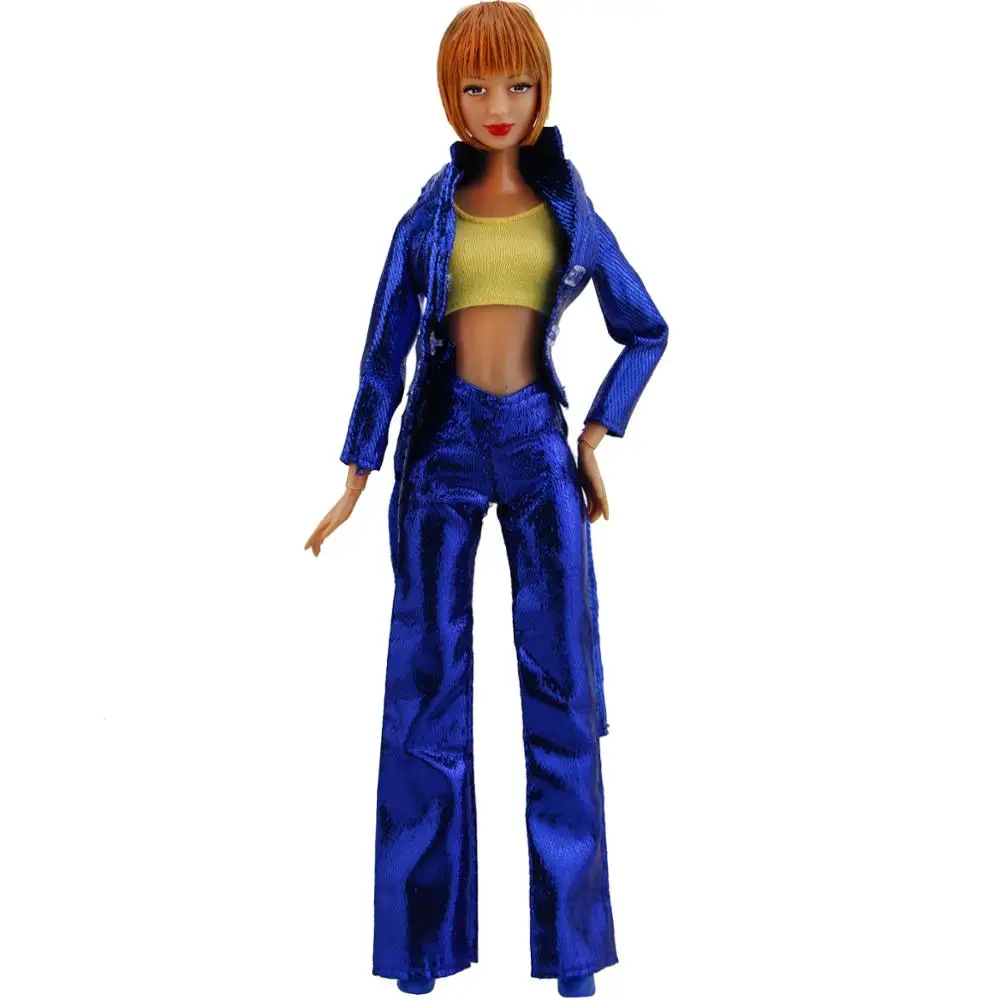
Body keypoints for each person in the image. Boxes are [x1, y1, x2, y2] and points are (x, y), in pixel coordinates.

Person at [305, 4, 669, 996]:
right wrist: (356, 472)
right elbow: (384, 348)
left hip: (539, 448)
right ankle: (419, 950)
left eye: (516, 85)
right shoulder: (427, 216)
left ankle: (575, 952)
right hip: (440, 447)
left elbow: (645, 326)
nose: (497, 105)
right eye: (475, 86)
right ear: (450, 97)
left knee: (562, 692)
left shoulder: (570, 209)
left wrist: (596, 433)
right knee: (423, 689)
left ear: (541, 91)